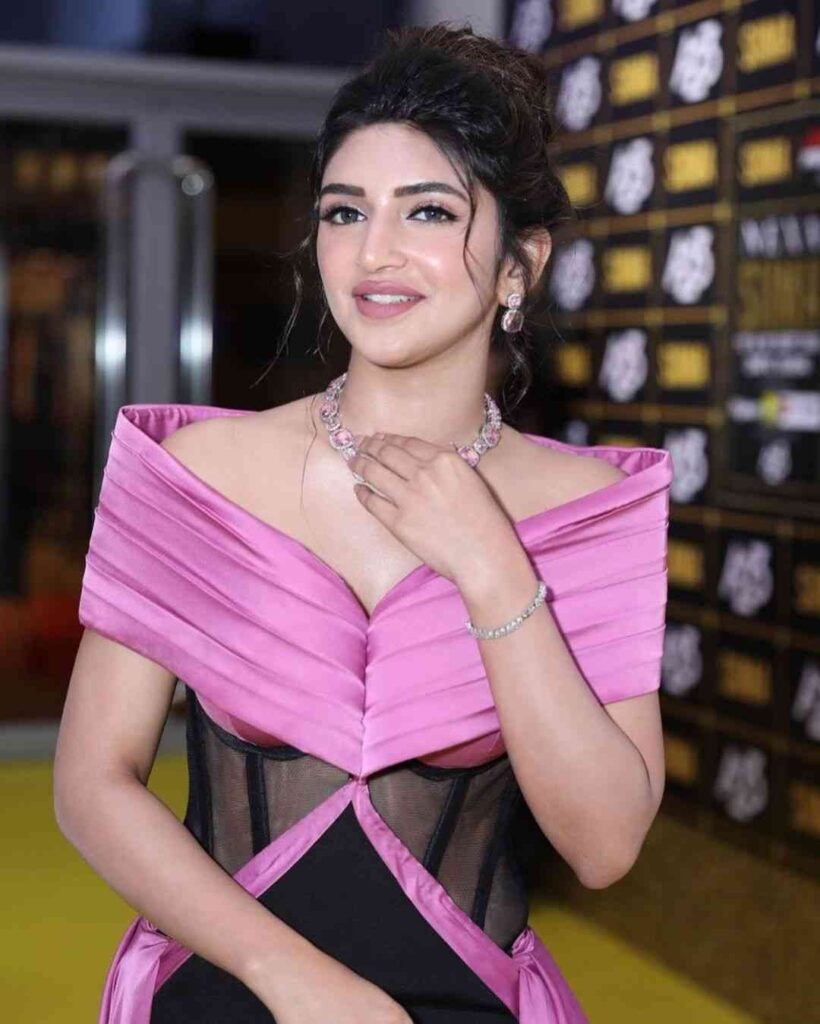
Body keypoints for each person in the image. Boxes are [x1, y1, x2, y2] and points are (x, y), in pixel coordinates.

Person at [54, 22, 672, 1024]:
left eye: (428, 211)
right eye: (345, 212)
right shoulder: (198, 473)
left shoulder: (588, 509)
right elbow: (92, 782)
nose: (374, 252)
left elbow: (603, 846)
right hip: (224, 994)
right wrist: (291, 978)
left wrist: (492, 566)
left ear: (519, 265)